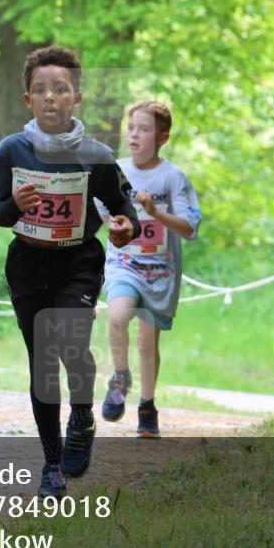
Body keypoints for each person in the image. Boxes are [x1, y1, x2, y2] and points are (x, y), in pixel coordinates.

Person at [0, 45, 141, 498]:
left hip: (78, 261)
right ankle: (51, 463)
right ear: (28, 99)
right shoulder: (13, 148)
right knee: (43, 365)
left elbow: (123, 205)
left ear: (76, 97)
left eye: (60, 90)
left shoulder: (96, 154)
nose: (50, 98)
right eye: (40, 90)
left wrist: (127, 226)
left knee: (70, 344)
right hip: (28, 264)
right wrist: (14, 206)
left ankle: (82, 415)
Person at [97, 101, 201, 437]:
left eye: (144, 129)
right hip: (124, 263)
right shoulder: (115, 171)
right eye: (131, 128)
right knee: (117, 315)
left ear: (162, 137)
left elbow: (189, 227)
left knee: (146, 342)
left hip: (160, 272)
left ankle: (147, 405)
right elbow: (98, 214)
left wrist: (154, 212)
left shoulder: (173, 178)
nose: (135, 135)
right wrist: (112, 222)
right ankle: (120, 377)